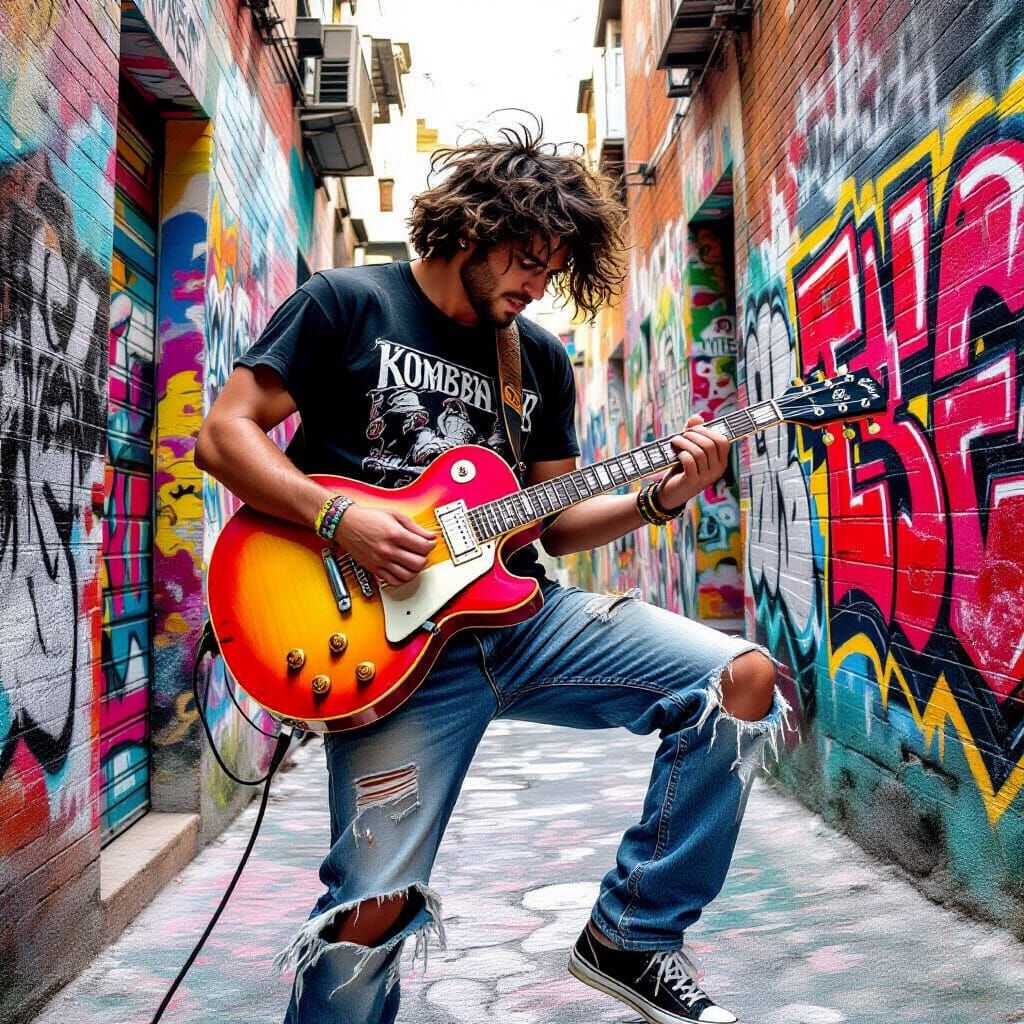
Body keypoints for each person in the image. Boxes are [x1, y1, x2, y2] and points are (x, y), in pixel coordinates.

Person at [195, 124, 787, 1024]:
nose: (535, 285)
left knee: (738, 680)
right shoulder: (346, 303)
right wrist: (340, 517)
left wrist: (662, 500)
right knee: (369, 913)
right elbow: (223, 433)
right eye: (525, 259)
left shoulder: (537, 360)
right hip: (382, 647)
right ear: (473, 226)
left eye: (552, 272)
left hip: (521, 621)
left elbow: (556, 525)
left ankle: (633, 932)